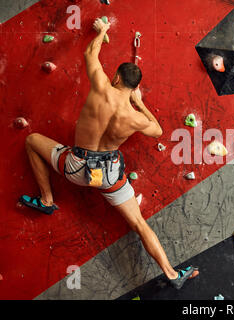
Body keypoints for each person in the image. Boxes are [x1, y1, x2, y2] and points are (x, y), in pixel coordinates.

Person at [19, 18, 198, 290]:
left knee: (32, 140)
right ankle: (172, 274)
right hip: (109, 175)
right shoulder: (134, 117)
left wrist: (102, 32)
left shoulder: (101, 86)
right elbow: (158, 130)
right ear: (133, 88)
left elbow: (90, 53)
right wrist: (140, 103)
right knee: (139, 223)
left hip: (76, 167)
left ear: (115, 78)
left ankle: (47, 199)